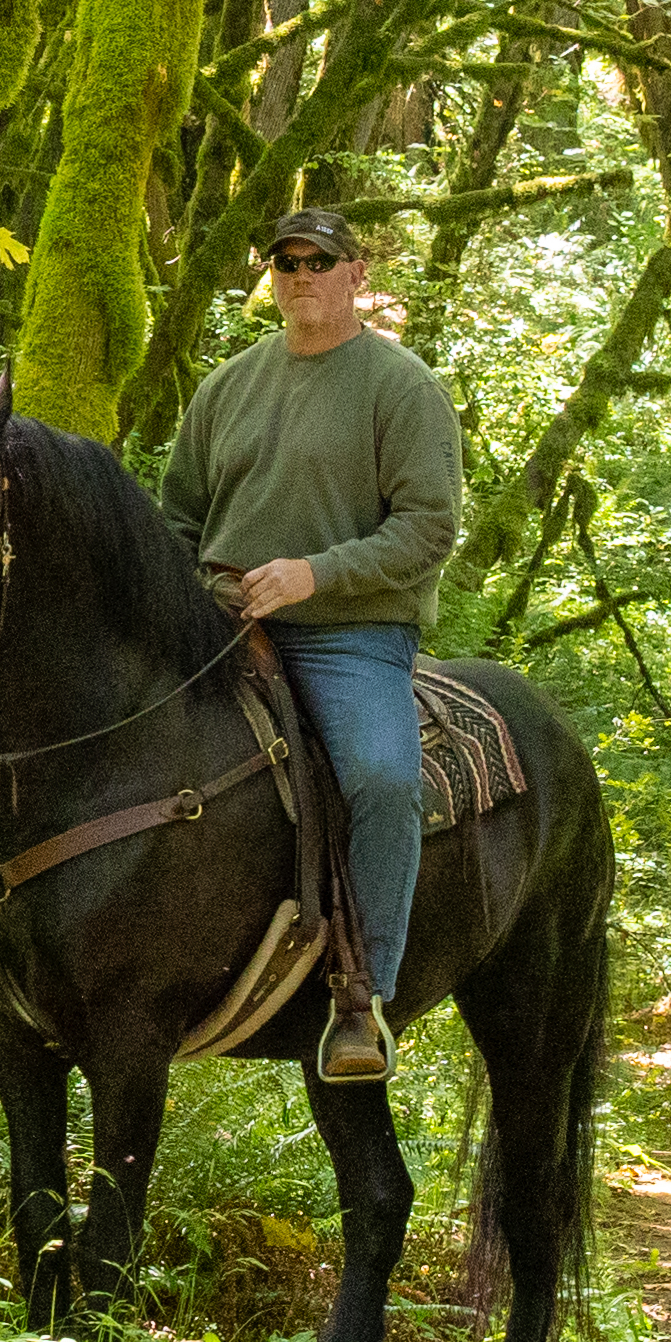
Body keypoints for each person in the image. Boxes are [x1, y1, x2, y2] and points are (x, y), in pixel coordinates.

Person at [159, 206, 463, 1084]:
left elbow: (427, 527)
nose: (298, 274)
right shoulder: (225, 388)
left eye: (317, 260)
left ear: (355, 274)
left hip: (349, 634)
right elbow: (178, 516)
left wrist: (313, 574)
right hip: (220, 622)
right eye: (284, 260)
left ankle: (362, 1001)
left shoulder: (400, 388)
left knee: (381, 779)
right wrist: (192, 592)